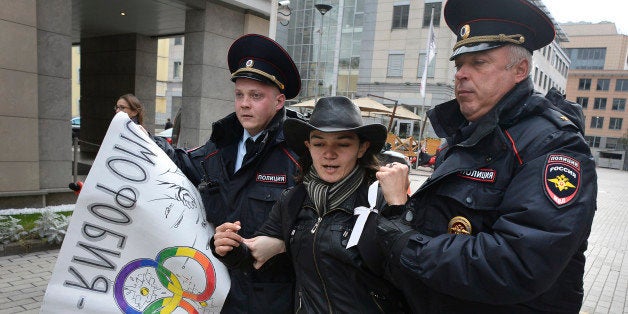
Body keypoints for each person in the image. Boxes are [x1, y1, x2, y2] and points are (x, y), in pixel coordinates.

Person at [358, 0, 597, 312]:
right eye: (459, 65)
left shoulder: (553, 146)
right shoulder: (464, 136)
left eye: (479, 63)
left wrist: (406, 245)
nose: (461, 75)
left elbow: (517, 263)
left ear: (520, 70)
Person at [212, 96, 409, 313]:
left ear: (361, 148)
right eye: (319, 143)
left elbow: (410, 270)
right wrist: (229, 246)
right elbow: (255, 255)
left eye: (343, 144)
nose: (329, 153)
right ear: (308, 146)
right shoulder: (294, 200)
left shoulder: (381, 198)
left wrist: (398, 207)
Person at [153, 34, 302, 313]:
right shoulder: (219, 148)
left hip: (272, 299)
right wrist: (141, 141)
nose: (244, 104)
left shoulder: (298, 154)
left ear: (279, 101)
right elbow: (181, 163)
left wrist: (283, 243)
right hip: (219, 293)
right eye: (239, 95)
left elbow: (318, 224)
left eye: (256, 96)